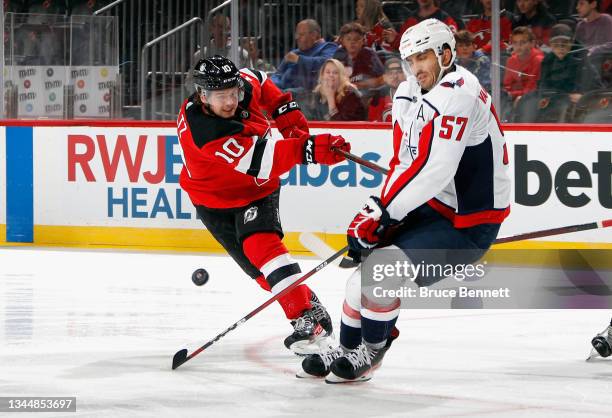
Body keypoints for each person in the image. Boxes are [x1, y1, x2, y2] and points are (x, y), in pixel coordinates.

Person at [299, 19, 510, 383]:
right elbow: (405, 161)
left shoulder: (459, 91)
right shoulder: (416, 90)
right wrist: (379, 210)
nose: (416, 67)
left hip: (469, 222)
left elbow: (435, 168)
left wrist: (382, 211)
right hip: (432, 206)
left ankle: (373, 350)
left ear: (446, 53)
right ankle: (350, 352)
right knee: (359, 281)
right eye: (410, 60)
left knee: (381, 272)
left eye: (423, 57)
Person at [176, 55, 351, 354]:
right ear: (203, 96)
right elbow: (264, 159)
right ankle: (307, 302)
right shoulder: (204, 130)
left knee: (261, 246)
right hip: (212, 201)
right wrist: (310, 148)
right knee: (259, 273)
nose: (231, 101)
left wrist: (291, 123)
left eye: (233, 93)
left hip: (256, 190)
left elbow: (262, 80)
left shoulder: (240, 84)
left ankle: (304, 321)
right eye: (222, 97)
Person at [270, 19, 338, 93]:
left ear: (314, 35)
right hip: (282, 92)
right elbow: (278, 74)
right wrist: (272, 85)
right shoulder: (294, 53)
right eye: (297, 34)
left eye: (301, 34)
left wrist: (299, 59)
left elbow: (325, 63)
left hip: (307, 94)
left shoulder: (328, 47)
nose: (297, 38)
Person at [384, 0, 460, 51]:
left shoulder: (446, 20)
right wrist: (394, 39)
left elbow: (453, 44)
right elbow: (404, 46)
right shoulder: (410, 20)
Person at [333, 22, 385, 91]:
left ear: (363, 41)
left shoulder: (369, 54)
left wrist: (359, 85)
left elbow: (382, 79)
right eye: (348, 39)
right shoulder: (338, 55)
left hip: (368, 94)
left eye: (356, 39)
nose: (352, 42)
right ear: (342, 41)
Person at [503, 26, 544, 106]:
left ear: (532, 43)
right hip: (513, 97)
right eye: (515, 43)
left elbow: (532, 88)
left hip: (533, 99)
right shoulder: (511, 60)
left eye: (523, 42)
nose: (518, 46)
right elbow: (507, 85)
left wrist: (513, 94)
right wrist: (509, 94)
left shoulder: (538, 60)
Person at [367, 57, 406, 121]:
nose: (395, 76)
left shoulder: (415, 96)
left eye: (399, 72)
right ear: (384, 77)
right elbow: (373, 123)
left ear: (406, 75)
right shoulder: (378, 98)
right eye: (390, 73)